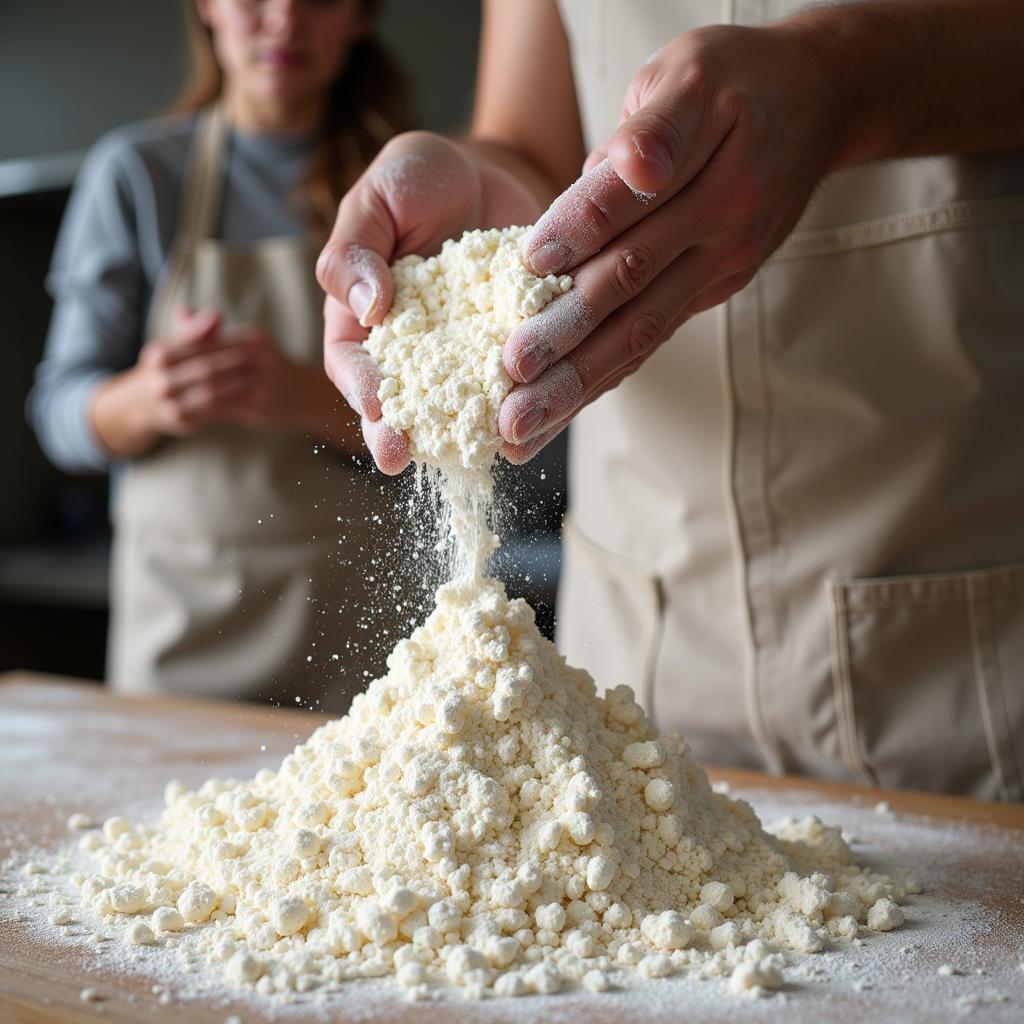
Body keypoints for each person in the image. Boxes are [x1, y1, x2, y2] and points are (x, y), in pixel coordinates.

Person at [316, 0, 1024, 799]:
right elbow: (527, 144)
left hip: (961, 651)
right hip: (636, 652)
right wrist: (486, 186)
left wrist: (842, 82)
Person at [29, 0, 411, 709]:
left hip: (356, 630)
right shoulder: (137, 176)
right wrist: (146, 399)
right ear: (206, 7)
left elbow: (447, 436)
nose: (284, 21)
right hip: (179, 625)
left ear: (360, 14)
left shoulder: (405, 187)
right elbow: (58, 416)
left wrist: (304, 397)